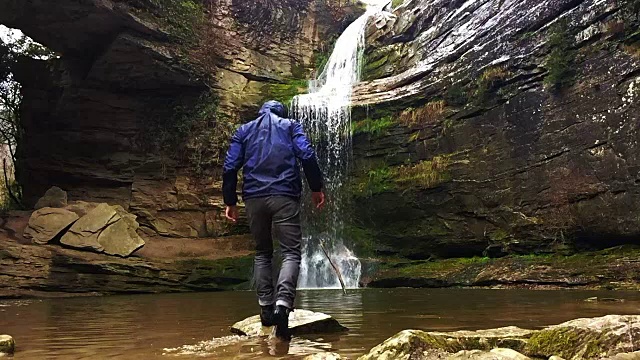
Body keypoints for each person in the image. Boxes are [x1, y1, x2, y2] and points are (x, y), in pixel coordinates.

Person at [222, 100, 326, 340]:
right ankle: (282, 305)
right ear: (282, 112)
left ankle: (266, 309)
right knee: (290, 252)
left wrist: (230, 200)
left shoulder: (244, 130)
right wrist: (316, 188)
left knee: (262, 253)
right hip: (284, 195)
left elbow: (229, 167)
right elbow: (307, 156)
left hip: (254, 198)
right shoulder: (290, 126)